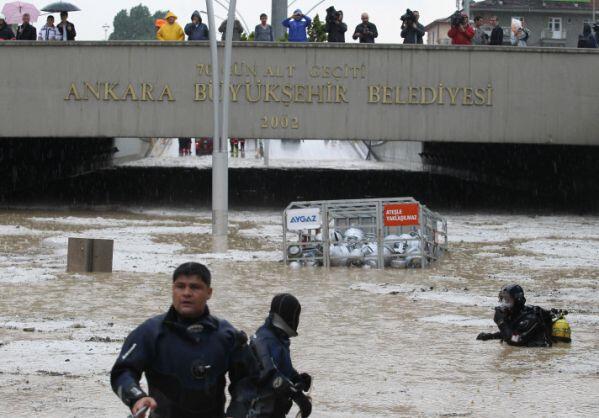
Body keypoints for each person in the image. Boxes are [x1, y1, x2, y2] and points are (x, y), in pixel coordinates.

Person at [110, 262, 255, 418]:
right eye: (180, 286)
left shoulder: (226, 335)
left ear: (209, 292)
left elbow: (248, 379)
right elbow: (122, 372)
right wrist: (137, 398)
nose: (186, 293)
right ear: (173, 289)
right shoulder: (151, 333)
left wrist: (237, 412)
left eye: (195, 287)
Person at [247, 294, 312, 418]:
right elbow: (269, 374)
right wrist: (297, 396)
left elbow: (282, 368)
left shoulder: (279, 339)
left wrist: (297, 379)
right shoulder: (263, 339)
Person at [476, 284, 554, 347]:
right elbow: (511, 333)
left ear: (517, 300)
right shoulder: (515, 315)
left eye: (508, 300)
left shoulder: (531, 318)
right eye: (503, 300)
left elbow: (516, 340)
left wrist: (501, 322)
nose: (504, 304)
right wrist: (490, 336)